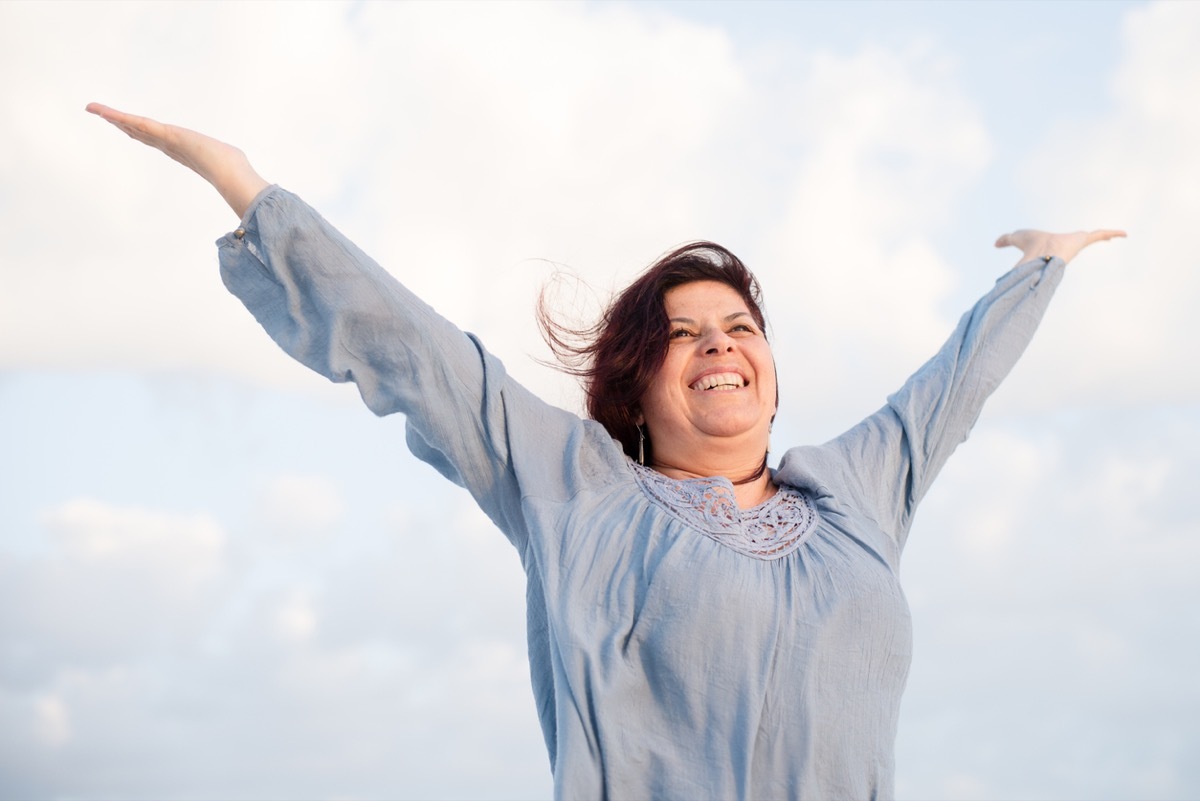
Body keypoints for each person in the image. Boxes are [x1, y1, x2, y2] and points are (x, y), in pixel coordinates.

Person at [87, 103, 1124, 800]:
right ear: (636, 384)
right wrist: (247, 188)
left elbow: (952, 389)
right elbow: (420, 355)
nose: (719, 342)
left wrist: (1042, 268)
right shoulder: (576, 490)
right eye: (682, 333)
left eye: (739, 326)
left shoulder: (856, 489)